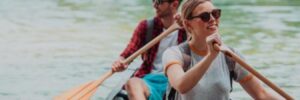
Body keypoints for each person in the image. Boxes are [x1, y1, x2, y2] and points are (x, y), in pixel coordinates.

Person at [162, 0, 283, 99]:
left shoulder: (230, 55)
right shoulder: (174, 54)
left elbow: (261, 94)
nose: (212, 19)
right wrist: (211, 56)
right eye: (205, 16)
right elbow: (181, 85)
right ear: (188, 25)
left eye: (215, 13)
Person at [111, 0, 187, 100]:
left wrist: (190, 26)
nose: (154, 5)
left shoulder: (188, 28)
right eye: (153, 1)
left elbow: (199, 50)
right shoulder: (146, 26)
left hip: (177, 80)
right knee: (132, 83)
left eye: (159, 1)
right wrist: (120, 62)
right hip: (150, 80)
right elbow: (128, 53)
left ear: (174, 4)